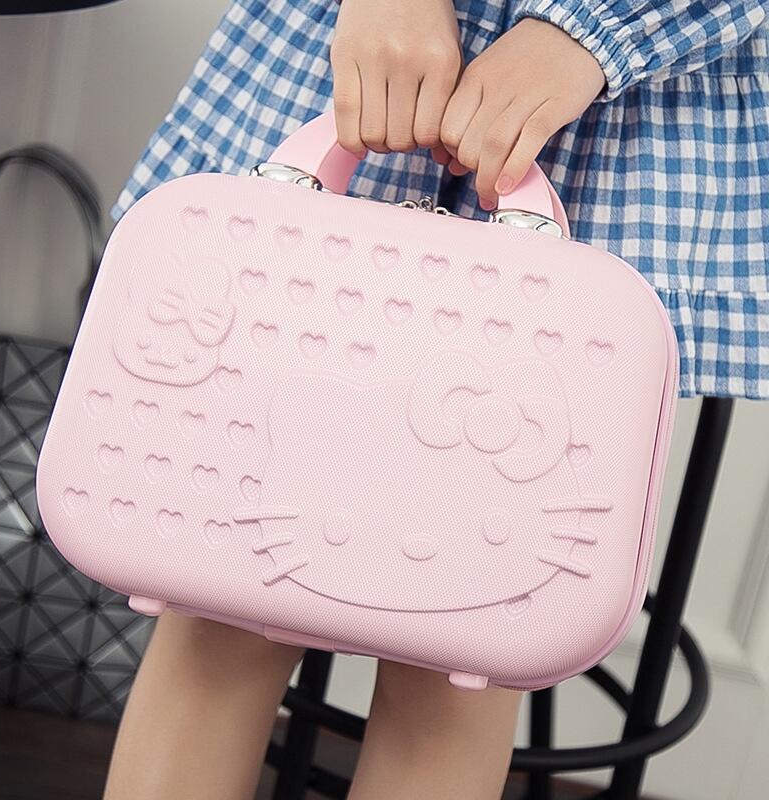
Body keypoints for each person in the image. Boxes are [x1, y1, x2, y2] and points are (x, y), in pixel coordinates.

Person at [104, 2, 769, 798]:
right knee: (220, 598)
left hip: (608, 108)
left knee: (463, 651)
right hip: (373, 43)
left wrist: (592, 32)